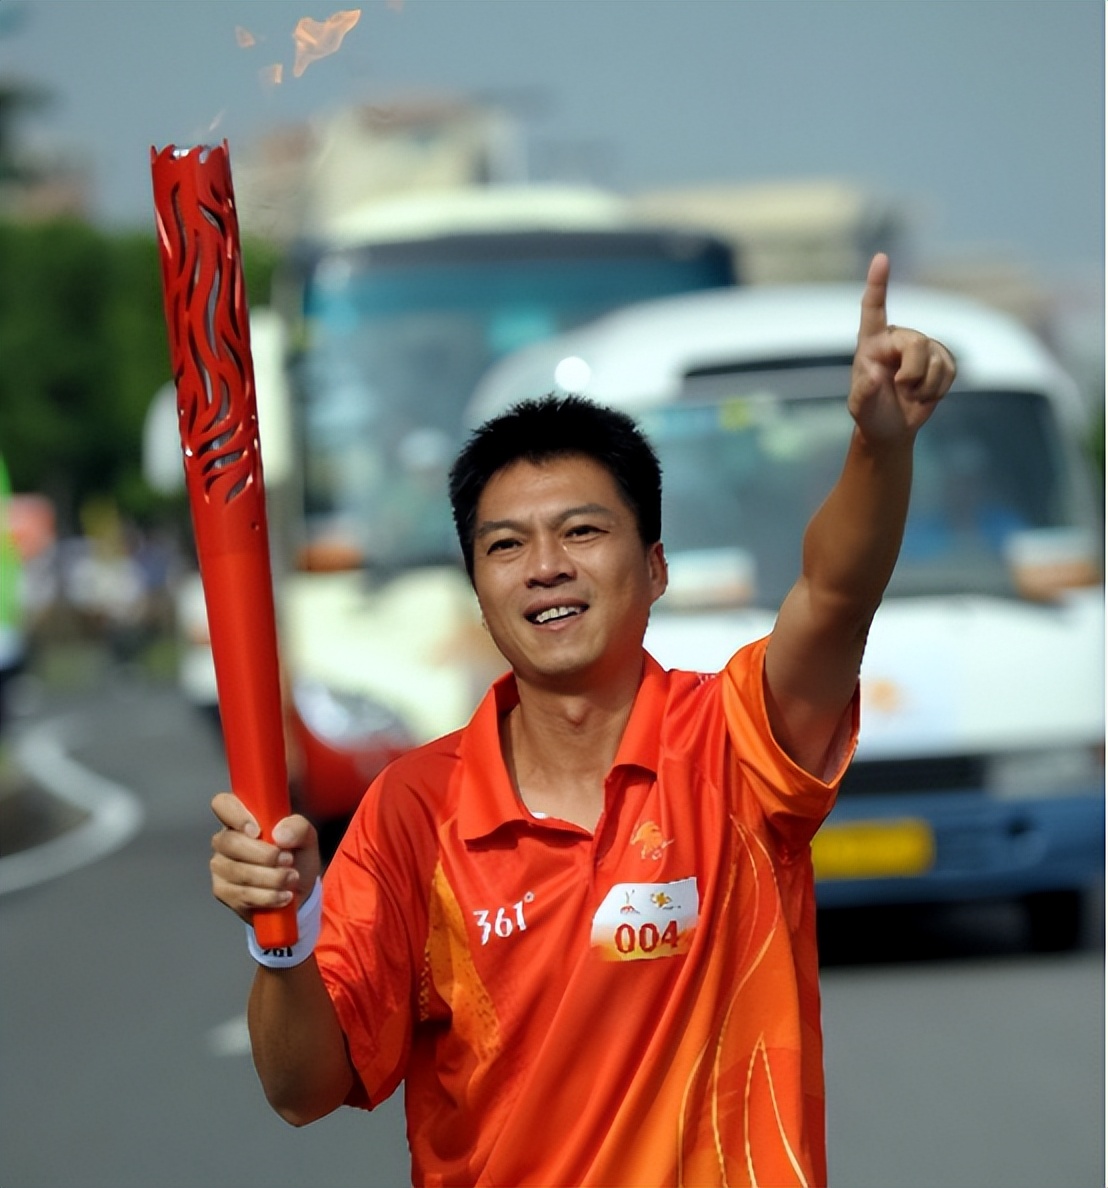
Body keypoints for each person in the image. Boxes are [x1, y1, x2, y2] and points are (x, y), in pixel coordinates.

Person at [210, 252, 955, 1187]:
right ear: (479, 591)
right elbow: (302, 1089)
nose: (545, 567)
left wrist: (880, 448)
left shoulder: (737, 743)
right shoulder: (415, 812)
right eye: (506, 545)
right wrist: (281, 938)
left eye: (583, 531)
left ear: (655, 568)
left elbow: (836, 596)